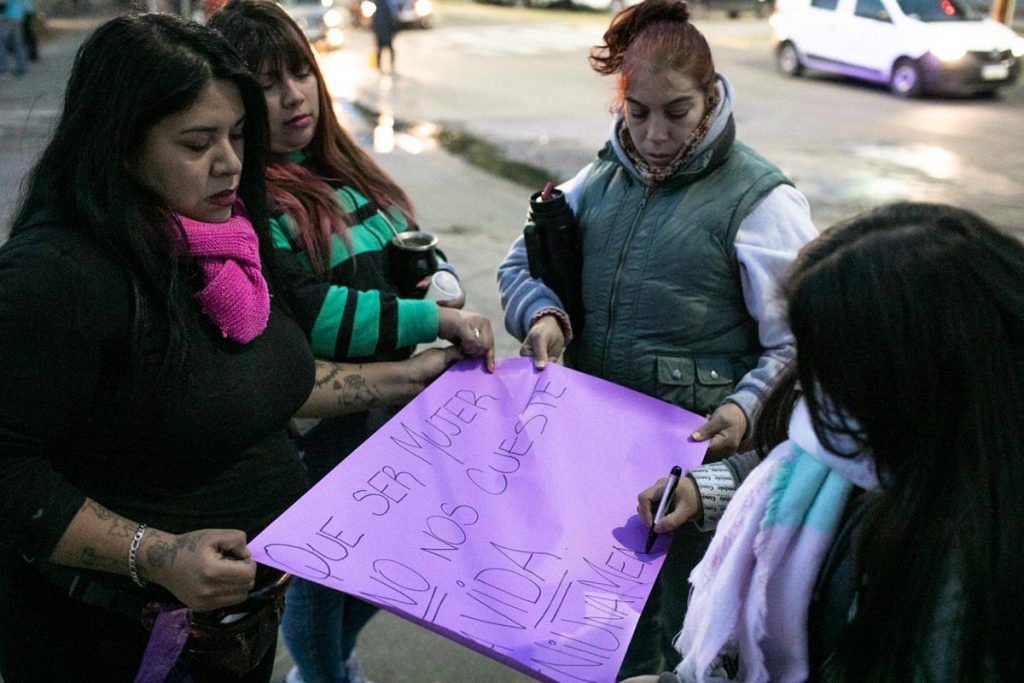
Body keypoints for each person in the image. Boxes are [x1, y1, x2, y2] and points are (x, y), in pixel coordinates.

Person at [0, 14, 463, 682]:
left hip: (230, 635)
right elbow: (10, 469)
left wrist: (416, 376)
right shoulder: (58, 274)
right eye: (197, 142)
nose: (232, 163)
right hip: (116, 643)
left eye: (238, 135)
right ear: (122, 147)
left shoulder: (225, 246)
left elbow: (269, 382)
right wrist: (155, 554)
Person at [496, 0, 817, 675]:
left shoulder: (761, 202)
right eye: (637, 112)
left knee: (684, 638)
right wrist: (544, 314)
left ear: (711, 97)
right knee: (591, 632)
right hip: (591, 461)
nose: (655, 134)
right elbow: (517, 263)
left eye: (677, 111)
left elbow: (800, 345)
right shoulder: (601, 176)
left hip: (695, 483)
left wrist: (744, 408)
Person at [208, 3, 494, 682]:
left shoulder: (344, 167)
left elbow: (409, 247)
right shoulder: (253, 201)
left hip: (394, 421)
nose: (292, 96)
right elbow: (311, 314)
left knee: (382, 570)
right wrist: (432, 323)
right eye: (267, 84)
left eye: (299, 72)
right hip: (320, 435)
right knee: (318, 579)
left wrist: (439, 279)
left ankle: (327, 668)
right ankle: (326, 673)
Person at [630, 201, 1024, 681]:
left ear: (915, 374)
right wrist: (703, 487)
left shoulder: (965, 570)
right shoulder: (880, 436)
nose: (802, 385)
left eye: (825, 362)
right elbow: (798, 459)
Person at [0, 0, 29, 77]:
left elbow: (3, 2)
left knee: (1, 43)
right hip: (18, 16)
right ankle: (22, 67)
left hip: (7, 17)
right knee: (18, 43)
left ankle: (2, 68)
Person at [371, 0, 397, 75]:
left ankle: (379, 66)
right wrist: (393, 31)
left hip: (381, 32)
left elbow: (375, 22)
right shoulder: (386, 5)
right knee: (389, 49)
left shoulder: (378, 6)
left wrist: (375, 32)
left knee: (380, 49)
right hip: (386, 32)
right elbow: (390, 19)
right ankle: (390, 66)